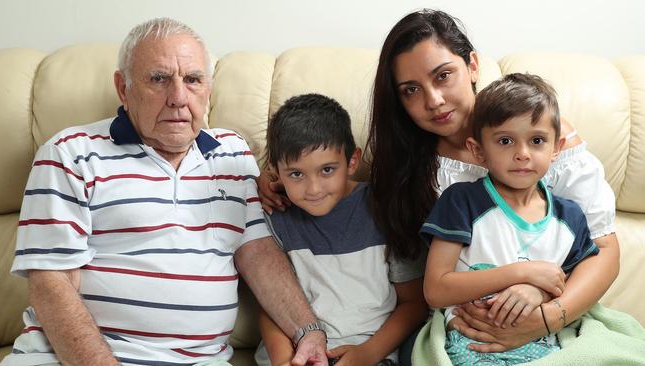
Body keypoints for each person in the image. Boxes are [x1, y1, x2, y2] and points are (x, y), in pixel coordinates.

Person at [259, 8, 619, 356]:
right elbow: (331, 177)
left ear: (472, 66)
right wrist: (269, 176)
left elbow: (602, 250)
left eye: (443, 75)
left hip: (557, 307)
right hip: (459, 324)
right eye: (410, 90)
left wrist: (545, 317)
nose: (433, 100)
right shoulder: (405, 164)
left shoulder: (539, 141)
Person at [2, 18, 327, 366]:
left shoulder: (233, 153)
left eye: (192, 80)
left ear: (208, 89)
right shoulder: (69, 152)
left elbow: (258, 254)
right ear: (123, 89)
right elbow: (51, 283)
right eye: (158, 79)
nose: (178, 98)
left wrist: (308, 331)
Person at [422, 73, 600, 365]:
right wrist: (522, 273)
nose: (522, 154)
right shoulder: (461, 201)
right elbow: (436, 290)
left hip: (544, 344)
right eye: (505, 141)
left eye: (537, 140)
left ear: (556, 148)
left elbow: (567, 283)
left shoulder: (570, 218)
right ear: (478, 150)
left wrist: (538, 291)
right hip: (472, 342)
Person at [254, 93, 429, 366]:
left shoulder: (385, 211)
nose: (313, 189)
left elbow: (415, 303)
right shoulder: (276, 215)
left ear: (352, 161)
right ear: (276, 170)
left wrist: (368, 354)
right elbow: (271, 305)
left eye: (326, 170)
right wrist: (284, 359)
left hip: (370, 355)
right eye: (296, 174)